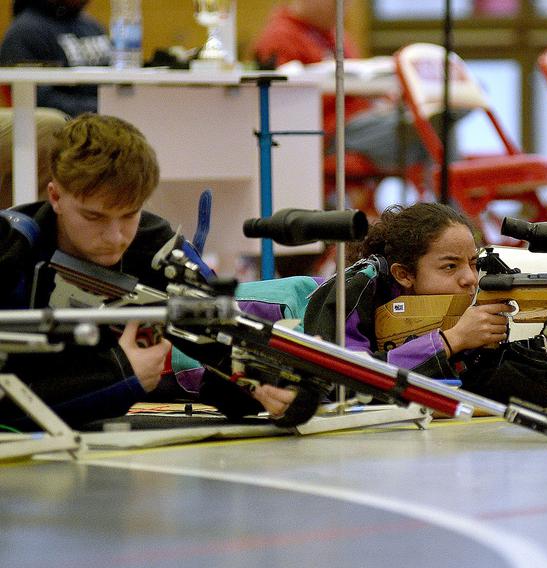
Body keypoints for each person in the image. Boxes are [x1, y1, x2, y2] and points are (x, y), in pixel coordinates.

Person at [0, 113, 298, 429]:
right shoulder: (12, 249)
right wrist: (121, 375)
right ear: (56, 196)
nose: (115, 238)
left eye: (129, 215)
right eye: (94, 218)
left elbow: (224, 349)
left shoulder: (158, 248)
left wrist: (268, 383)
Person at [303, 202, 547, 406]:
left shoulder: (444, 309)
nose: (470, 279)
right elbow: (340, 385)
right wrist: (451, 340)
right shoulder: (354, 288)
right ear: (404, 274)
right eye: (450, 267)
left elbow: (484, 391)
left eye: (473, 264)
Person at [252, 0, 427, 174]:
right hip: (330, 133)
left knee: (430, 124)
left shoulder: (335, 35)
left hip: (360, 121)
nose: (344, 6)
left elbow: (360, 79)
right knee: (426, 128)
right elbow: (286, 108)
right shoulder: (280, 37)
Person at [0, 0, 111, 117]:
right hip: (65, 129)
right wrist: (105, 108)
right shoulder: (22, 33)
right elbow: (39, 100)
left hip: (108, 119)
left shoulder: (91, 26)